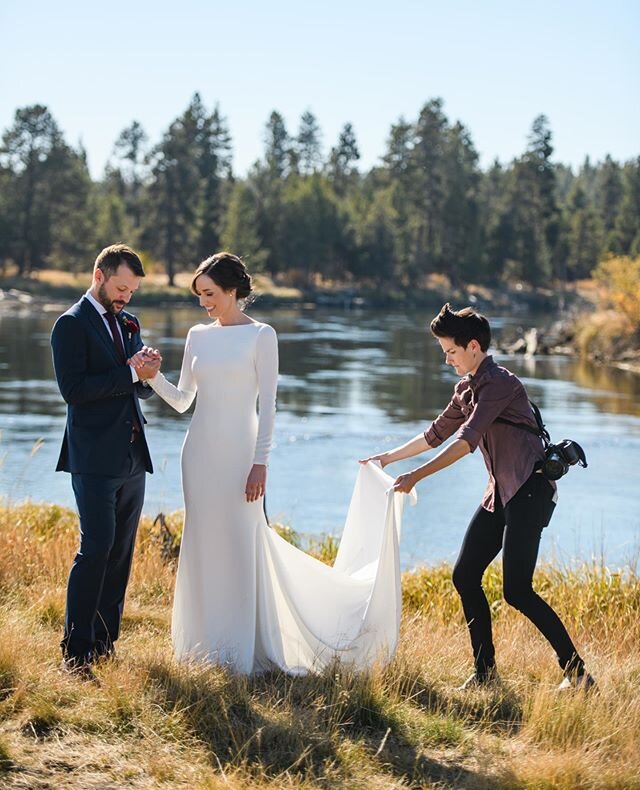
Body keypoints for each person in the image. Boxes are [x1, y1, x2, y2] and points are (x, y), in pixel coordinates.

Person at [131, 252, 413, 674]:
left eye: (209, 293)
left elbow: (269, 406)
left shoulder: (262, 335)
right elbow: (184, 400)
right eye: (199, 296)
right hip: (200, 455)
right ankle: (200, 646)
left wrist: (259, 463)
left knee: (242, 544)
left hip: (242, 456)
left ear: (232, 290)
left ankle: (242, 649)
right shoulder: (197, 336)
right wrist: (153, 377)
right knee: (202, 544)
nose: (204, 302)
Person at [361, 303, 594, 691]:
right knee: (465, 575)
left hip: (529, 491)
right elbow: (435, 433)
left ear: (473, 346)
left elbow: (465, 442)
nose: (447, 360)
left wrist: (417, 475)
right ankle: (485, 675)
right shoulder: (465, 388)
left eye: (450, 352)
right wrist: (387, 457)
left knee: (517, 590)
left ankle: (578, 673)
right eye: (444, 354)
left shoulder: (499, 383)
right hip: (501, 493)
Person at [51, 244, 160, 678]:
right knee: (95, 549)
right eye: (120, 287)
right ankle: (75, 652)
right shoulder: (70, 325)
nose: (125, 297)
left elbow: (136, 388)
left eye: (131, 291)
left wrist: (147, 373)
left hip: (133, 457)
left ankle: (103, 645)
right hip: (93, 457)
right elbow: (74, 391)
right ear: (99, 274)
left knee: (120, 554)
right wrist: (133, 374)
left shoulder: (127, 322)